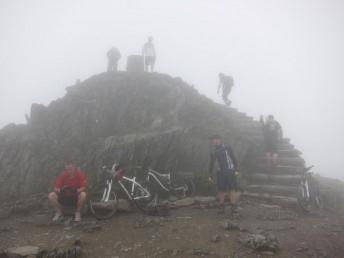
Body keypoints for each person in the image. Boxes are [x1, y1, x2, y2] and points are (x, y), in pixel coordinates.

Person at [208, 134, 239, 215]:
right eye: (214, 139)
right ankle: (221, 207)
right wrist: (210, 174)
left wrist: (236, 168)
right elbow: (211, 163)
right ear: (212, 141)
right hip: (220, 172)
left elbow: (233, 157)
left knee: (232, 189)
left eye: (217, 139)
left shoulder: (227, 147)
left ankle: (233, 207)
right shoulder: (213, 151)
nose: (215, 141)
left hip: (230, 170)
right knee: (221, 190)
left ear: (220, 139)